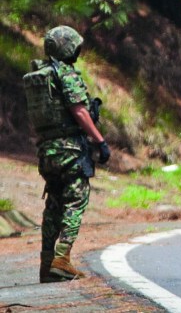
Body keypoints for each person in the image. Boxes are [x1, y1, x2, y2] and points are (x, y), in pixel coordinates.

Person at [23, 25, 111, 283]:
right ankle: (62, 259)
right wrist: (100, 141)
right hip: (70, 149)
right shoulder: (66, 74)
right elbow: (79, 111)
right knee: (75, 200)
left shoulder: (38, 76)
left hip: (46, 150)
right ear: (68, 48)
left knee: (53, 205)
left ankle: (47, 262)